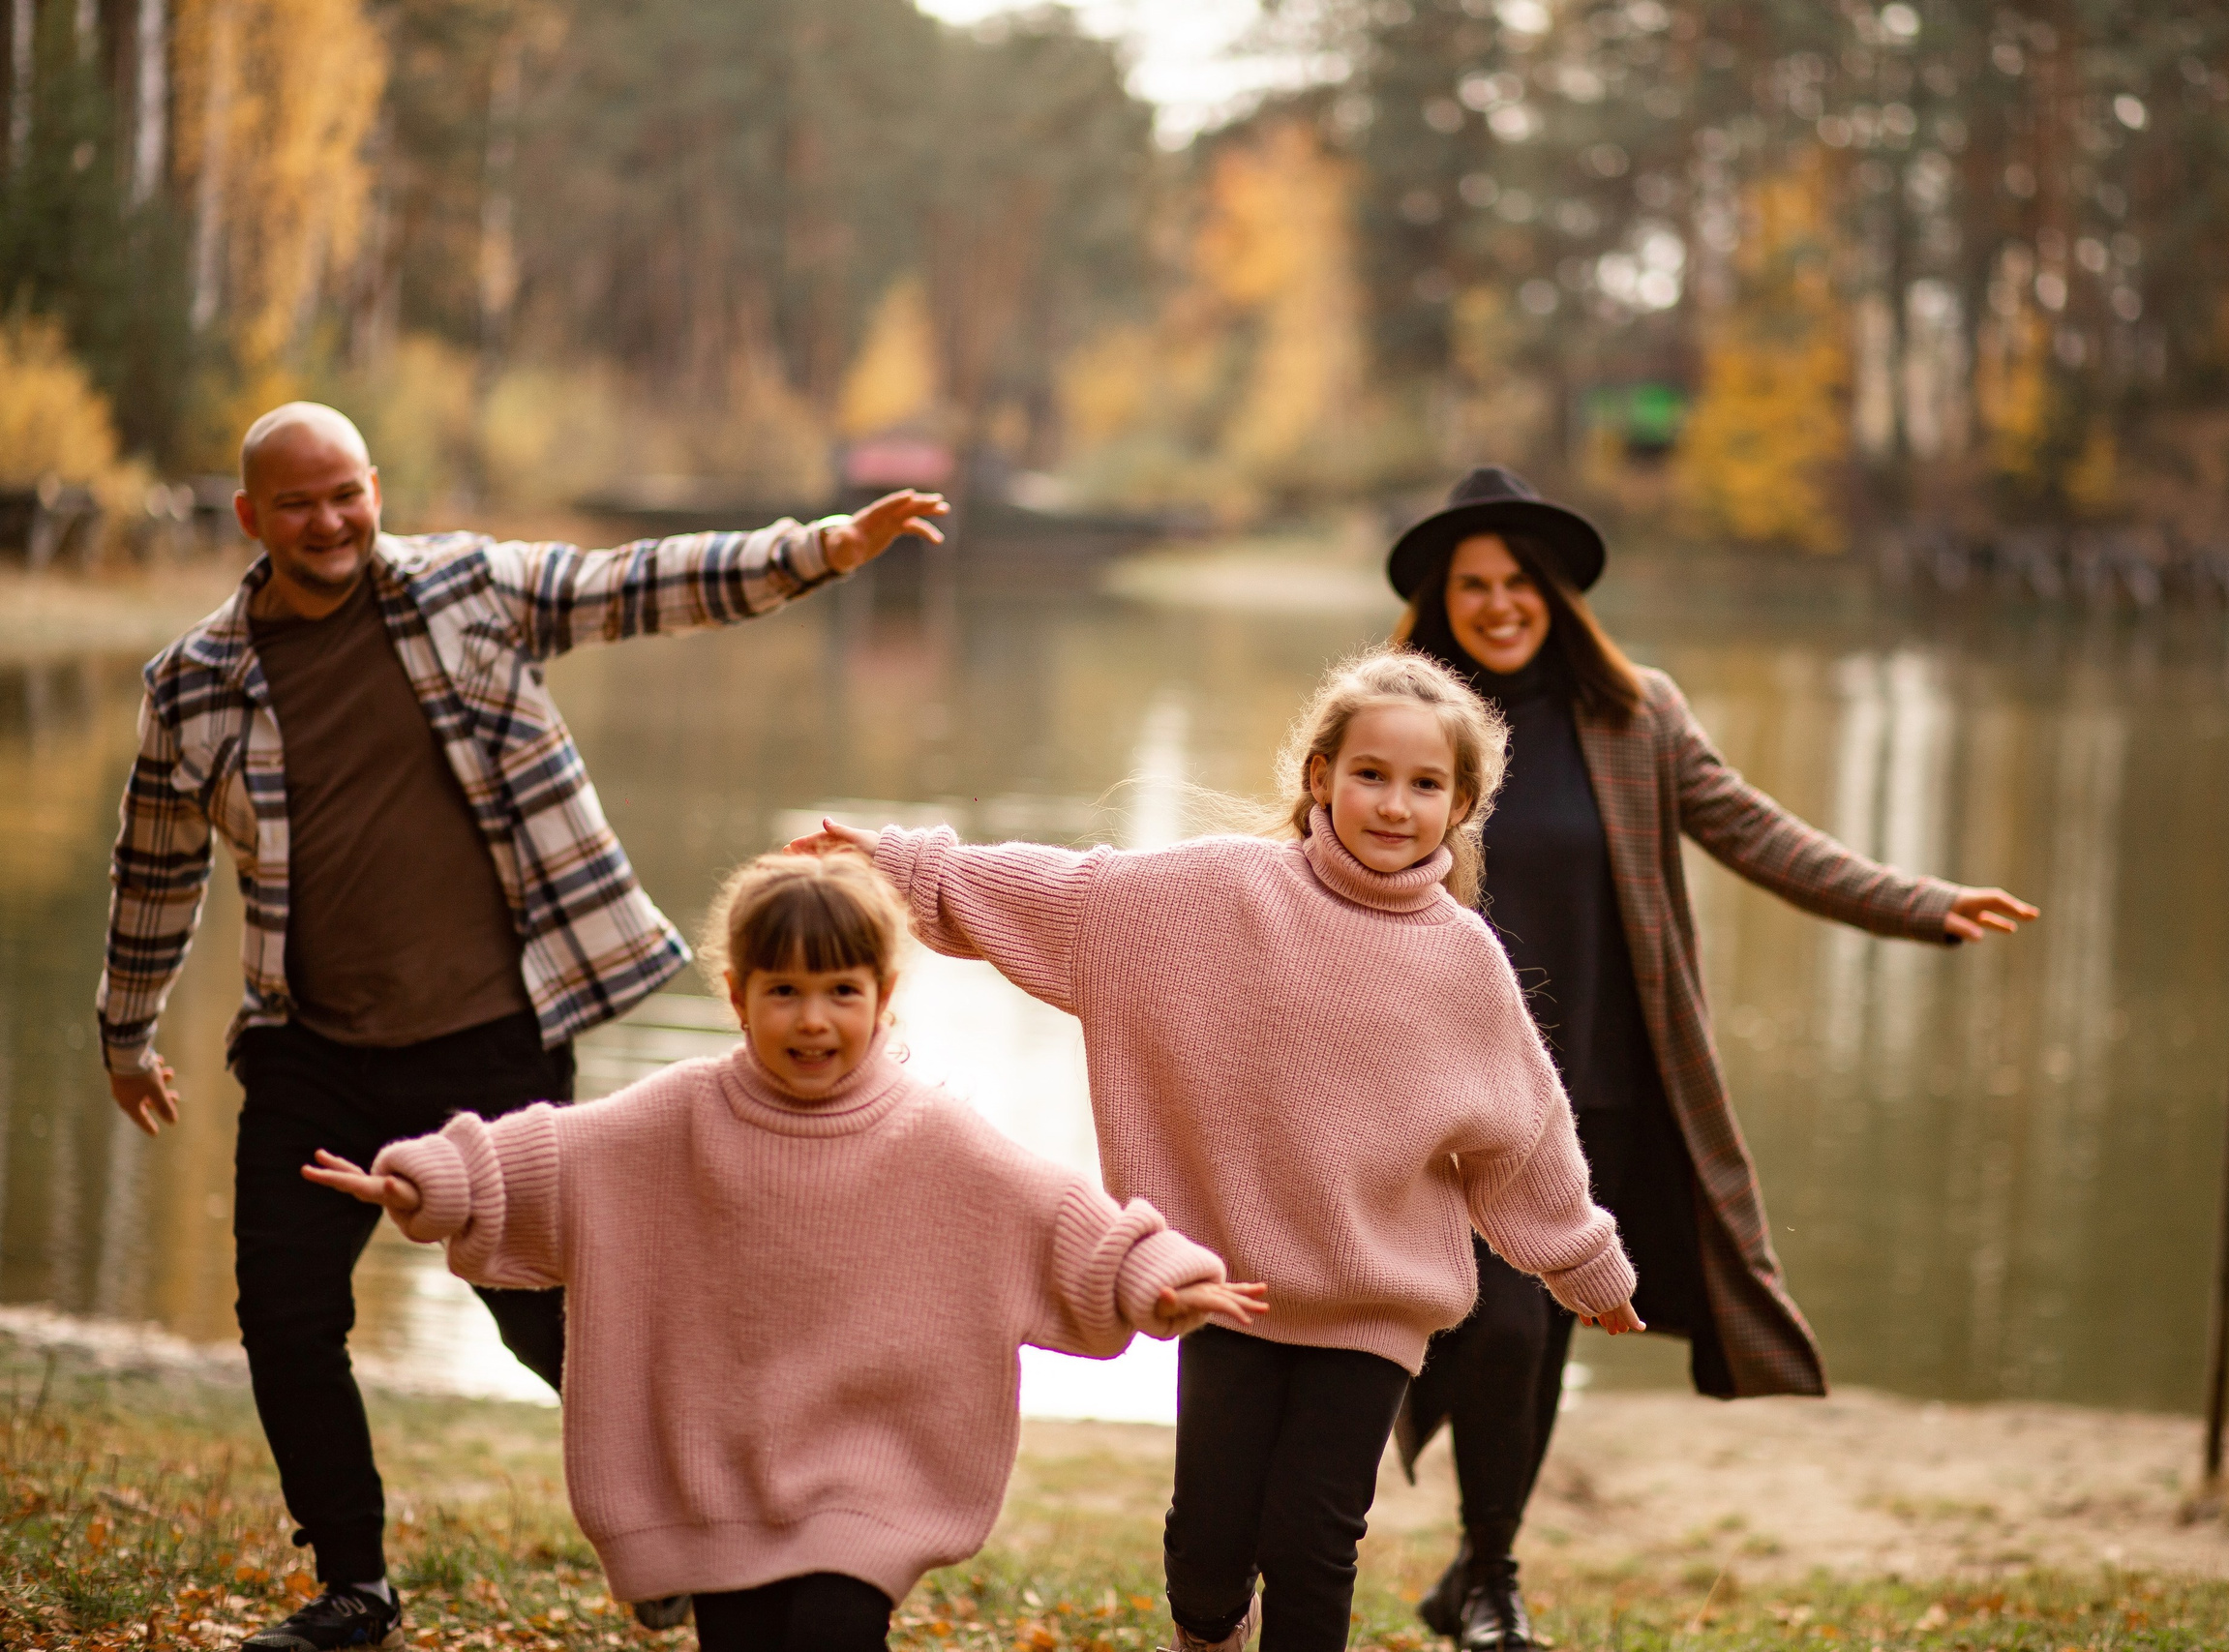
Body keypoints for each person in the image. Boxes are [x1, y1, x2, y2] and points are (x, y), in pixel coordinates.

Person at [93, 401, 949, 1652]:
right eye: (298, 503)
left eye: (346, 493)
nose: (328, 521)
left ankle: (670, 1523)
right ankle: (353, 1583)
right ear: (250, 517)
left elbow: (638, 582)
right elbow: (156, 866)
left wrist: (819, 546)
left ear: (375, 486)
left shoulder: (465, 591)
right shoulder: (196, 684)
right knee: (284, 1314)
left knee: (542, 1309)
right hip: (308, 1045)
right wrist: (128, 1028)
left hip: (491, 1039)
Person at [792, 647, 1644, 1652]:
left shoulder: (1463, 964)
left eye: (1425, 785)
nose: (1393, 804)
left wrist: (1584, 1263)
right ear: (1319, 777)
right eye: (1370, 774)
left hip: (1374, 1303)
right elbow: (1064, 897)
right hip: (1224, 1290)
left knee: (1314, 1540)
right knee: (1207, 1545)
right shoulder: (1212, 894)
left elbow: (1526, 1137)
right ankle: (1208, 1634)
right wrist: (902, 866)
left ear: (1459, 808)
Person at [1383, 466, 2040, 1651]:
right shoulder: (1404, 725)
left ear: (1557, 594)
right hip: (1450, 1098)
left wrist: (1917, 904)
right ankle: (1487, 1580)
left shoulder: (1634, 717)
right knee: (1504, 1326)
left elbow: (1757, 834)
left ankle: (1482, 1574)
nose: (1498, 604)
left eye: (1519, 582)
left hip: (1597, 1090)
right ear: (1439, 602)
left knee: (1544, 1339)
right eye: (1472, 585)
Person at [306, 851, 1265, 1652]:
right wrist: (432, 1182)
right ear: (737, 996)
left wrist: (1157, 1278)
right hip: (718, 1470)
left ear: (883, 999)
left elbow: (1054, 1215)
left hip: (870, 1478)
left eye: (841, 992)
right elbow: (548, 1154)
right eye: (785, 992)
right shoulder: (677, 1115)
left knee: (832, 1631)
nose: (814, 1020)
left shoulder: (932, 1135)